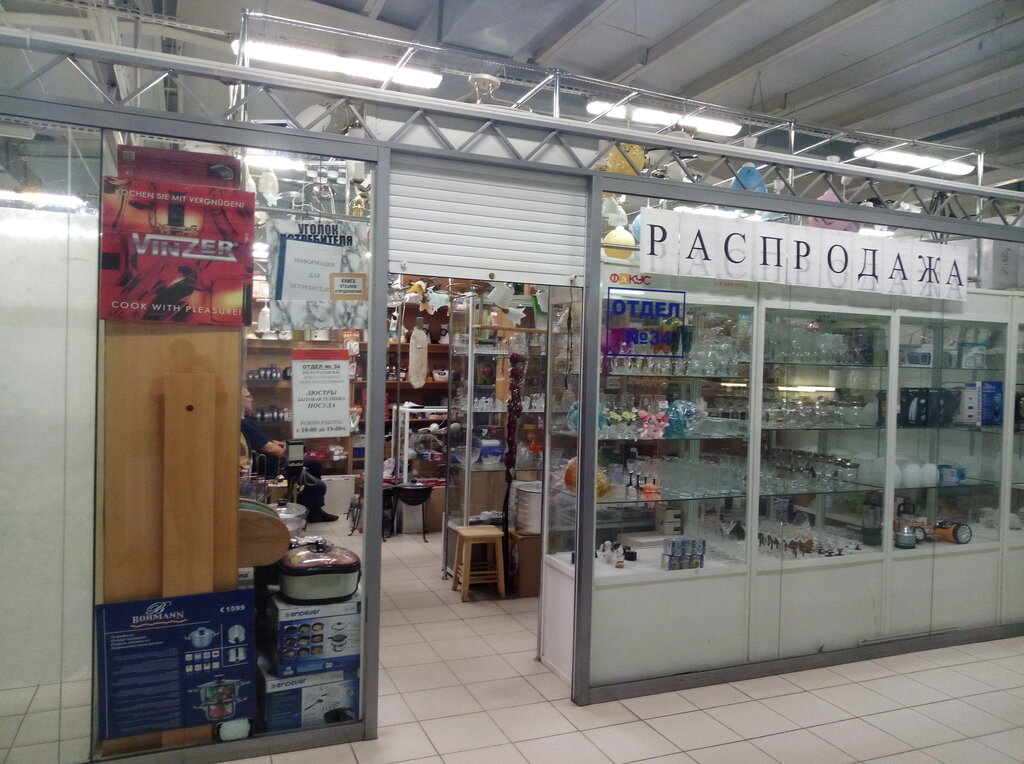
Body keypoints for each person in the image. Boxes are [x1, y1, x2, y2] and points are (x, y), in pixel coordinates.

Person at [241, 387, 337, 523]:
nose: (252, 399)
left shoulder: (248, 420)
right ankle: (312, 513)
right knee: (319, 486)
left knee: (314, 464)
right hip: (273, 467)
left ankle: (315, 509)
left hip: (277, 462)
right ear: (240, 400)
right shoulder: (243, 423)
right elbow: (269, 448)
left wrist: (285, 444)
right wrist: (289, 453)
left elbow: (269, 441)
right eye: (248, 396)